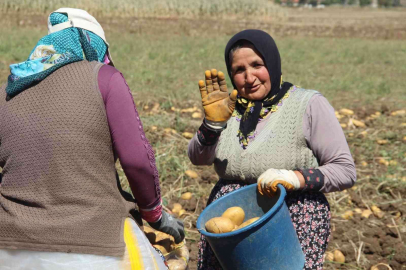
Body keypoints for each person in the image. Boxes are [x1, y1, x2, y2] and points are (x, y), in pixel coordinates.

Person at [0, 8, 184, 269]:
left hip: (9, 248)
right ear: (90, 45)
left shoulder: (7, 93)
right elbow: (137, 162)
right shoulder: (104, 78)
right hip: (93, 245)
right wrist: (155, 215)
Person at [188, 29, 356, 270]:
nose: (249, 77)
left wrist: (294, 178)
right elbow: (198, 157)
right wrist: (213, 124)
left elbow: (345, 170)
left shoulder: (307, 104)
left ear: (273, 62)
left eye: (257, 65)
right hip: (230, 226)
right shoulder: (228, 108)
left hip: (293, 214)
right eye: (239, 70)